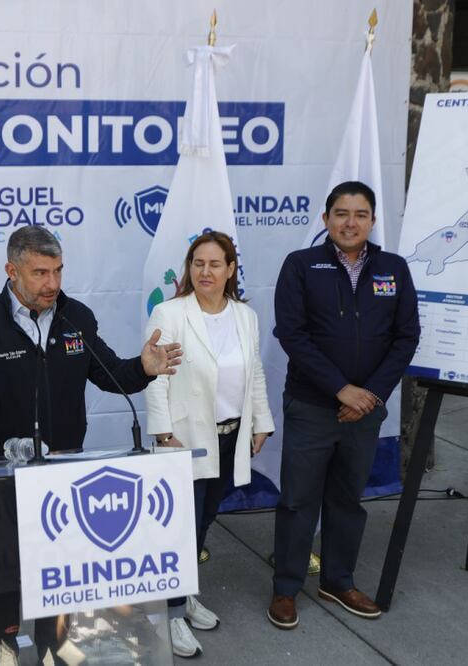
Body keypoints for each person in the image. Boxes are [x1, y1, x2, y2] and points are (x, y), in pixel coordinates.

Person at [0, 225, 182, 665]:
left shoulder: (77, 319)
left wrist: (144, 368)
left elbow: (114, 375)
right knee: (8, 563)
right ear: (12, 271)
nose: (52, 283)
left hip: (66, 471)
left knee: (61, 564)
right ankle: (5, 641)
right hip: (5, 474)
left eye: (57, 271)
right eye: (39, 273)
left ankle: (53, 642)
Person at [268, 181, 420, 630]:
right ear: (326, 219)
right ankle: (285, 589)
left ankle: (338, 580)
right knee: (298, 500)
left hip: (365, 411)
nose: (349, 222)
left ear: (373, 220)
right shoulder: (301, 265)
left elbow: (406, 336)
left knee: (347, 499)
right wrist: (341, 389)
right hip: (312, 406)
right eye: (340, 213)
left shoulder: (393, 267)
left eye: (359, 214)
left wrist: (369, 395)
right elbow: (292, 334)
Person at [144, 231, 275, 657]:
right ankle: (170, 612)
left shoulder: (244, 316)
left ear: (231, 269)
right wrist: (164, 434)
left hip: (231, 436)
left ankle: (182, 597)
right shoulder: (170, 311)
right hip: (185, 439)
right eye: (198, 263)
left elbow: (253, 372)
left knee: (202, 522)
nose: (205, 271)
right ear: (189, 268)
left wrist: (261, 422)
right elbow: (155, 376)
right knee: (179, 527)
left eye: (215, 264)